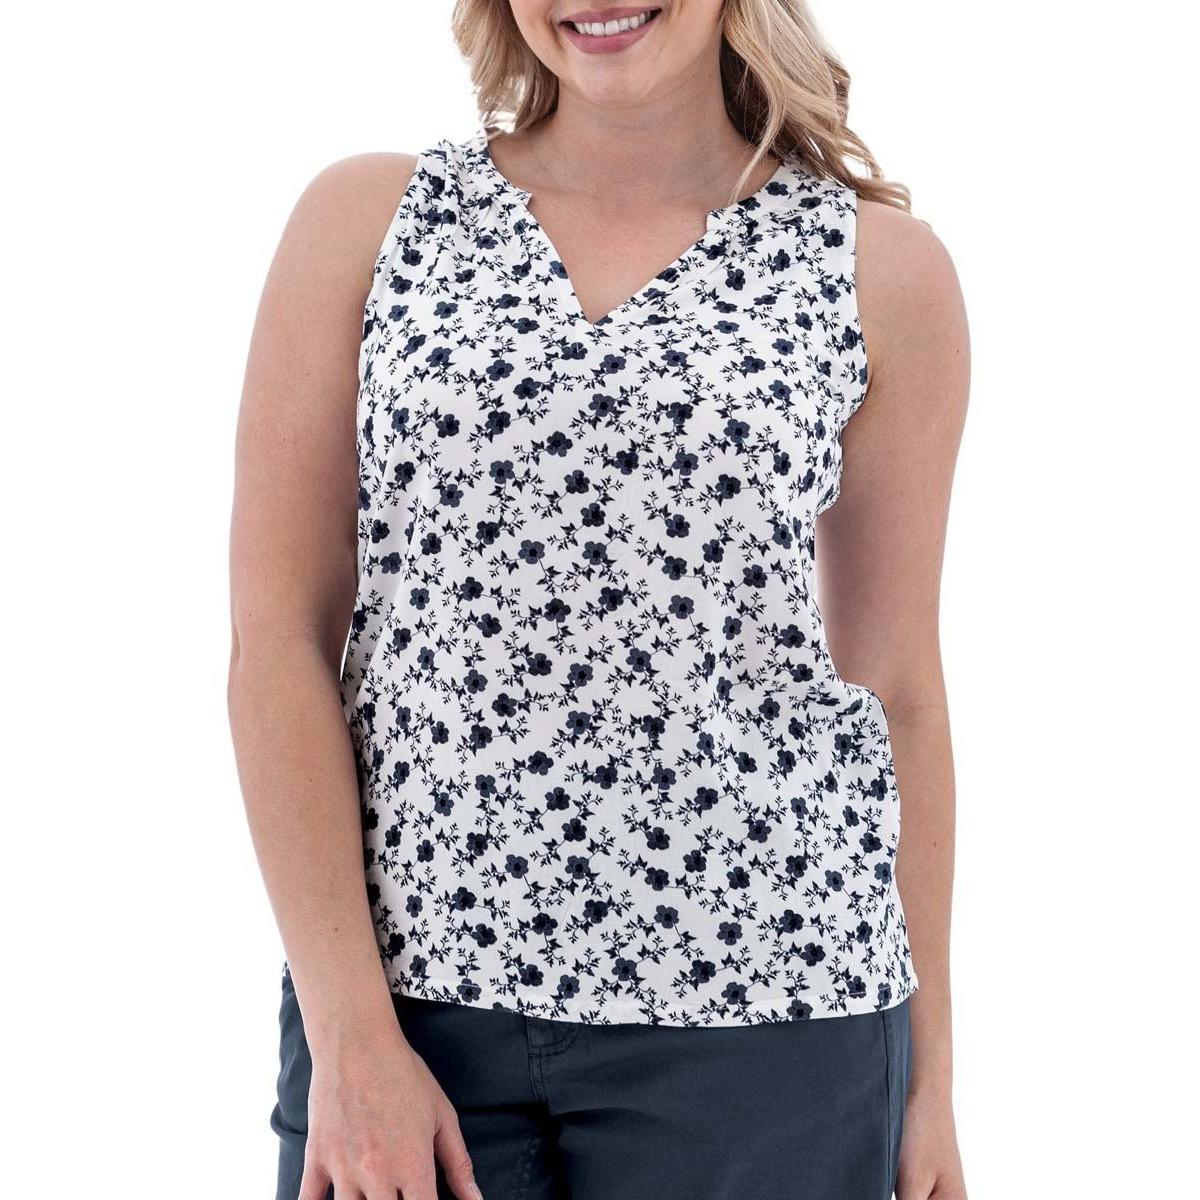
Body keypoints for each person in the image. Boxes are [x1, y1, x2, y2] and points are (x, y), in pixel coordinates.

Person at [227, 2, 970, 1197]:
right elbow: (278, 638)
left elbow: (896, 691)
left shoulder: (877, 270)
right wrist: (351, 1038)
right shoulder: (370, 220)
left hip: (771, 1032)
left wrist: (931, 1088)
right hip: (412, 1016)